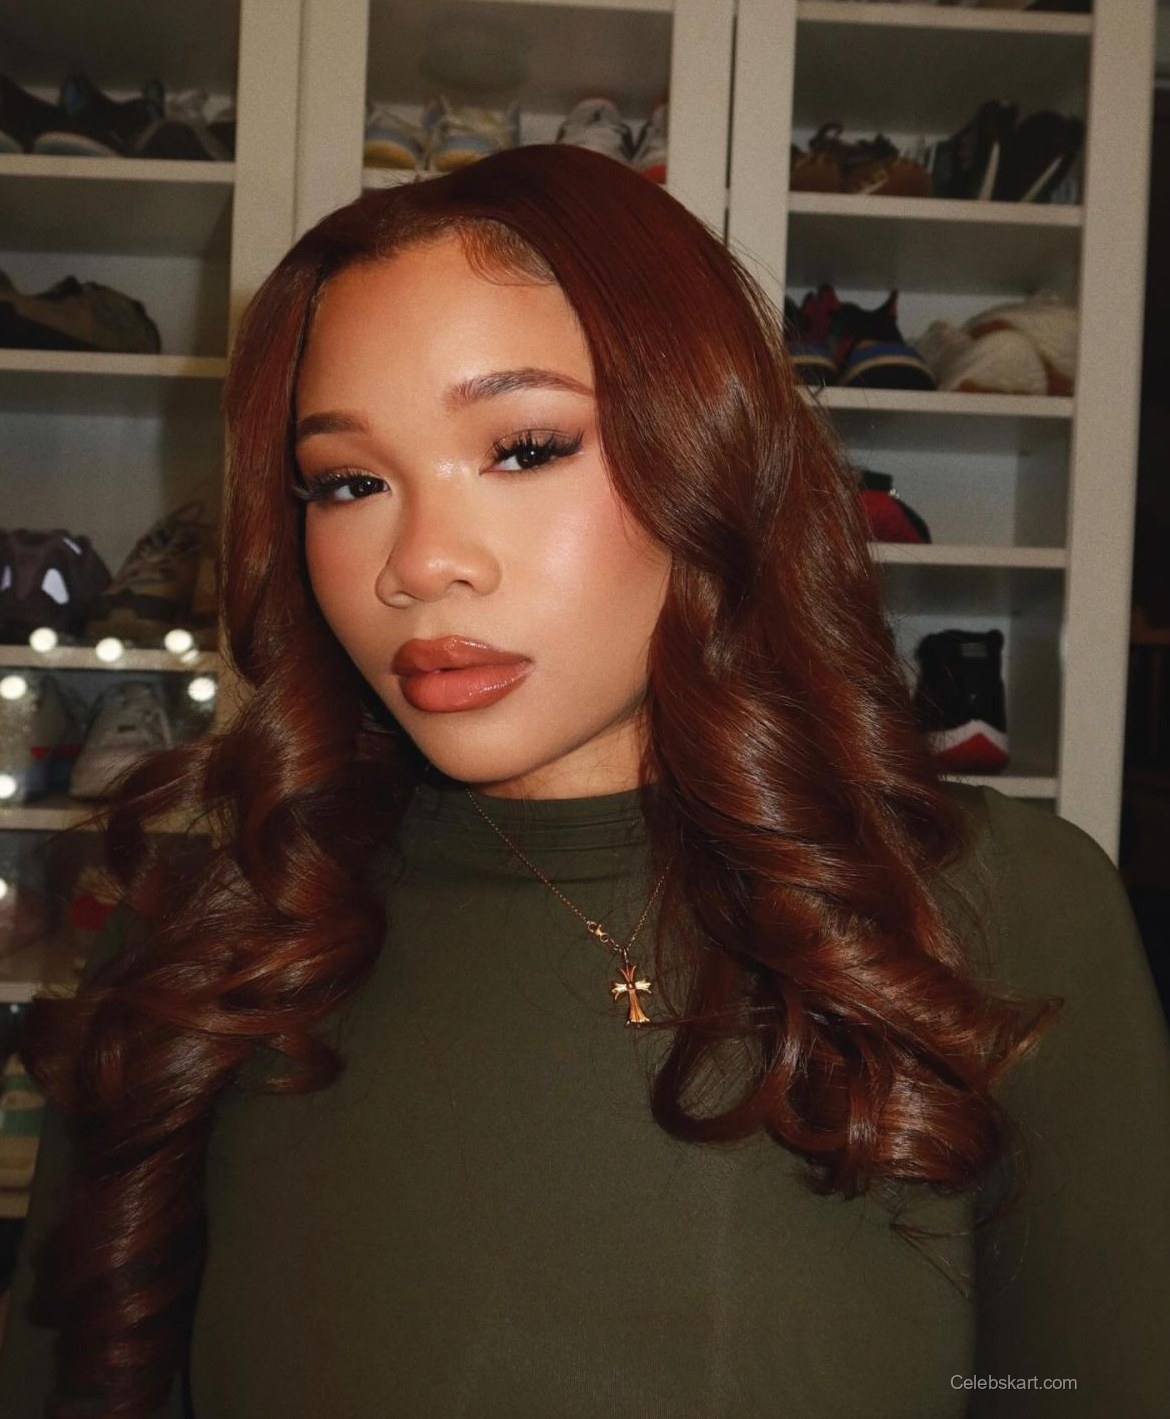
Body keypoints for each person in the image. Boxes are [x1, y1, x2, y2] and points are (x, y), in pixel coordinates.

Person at [0, 143, 1168, 1419]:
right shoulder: (191, 952)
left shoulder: (1002, 910)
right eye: (348, 482)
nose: (419, 564)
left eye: (524, 447)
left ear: (710, 451)